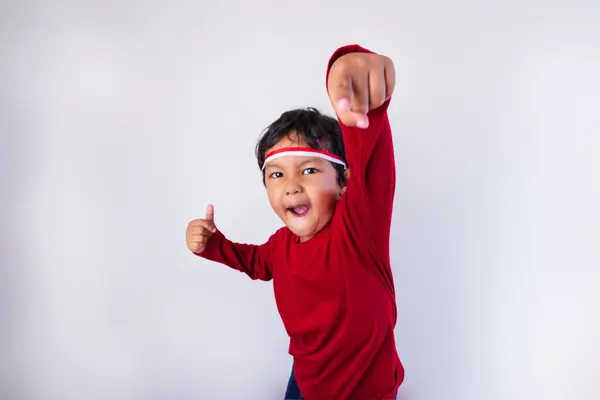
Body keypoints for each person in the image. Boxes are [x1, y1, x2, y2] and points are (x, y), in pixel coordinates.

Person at [186, 44, 404, 400]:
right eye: (276, 175)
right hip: (304, 380)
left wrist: (350, 74)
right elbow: (256, 261)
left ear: (344, 182)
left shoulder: (358, 231)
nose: (291, 186)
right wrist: (214, 246)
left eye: (309, 170)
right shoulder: (280, 244)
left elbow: (371, 160)